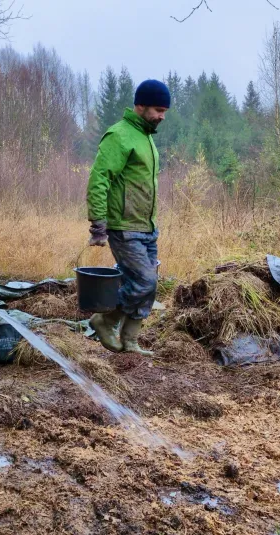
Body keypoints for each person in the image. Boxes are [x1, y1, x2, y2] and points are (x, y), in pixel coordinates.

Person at [86, 79, 170, 355]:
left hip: (147, 228)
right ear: (140, 106)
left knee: (148, 286)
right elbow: (100, 178)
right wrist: (99, 225)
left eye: (164, 111)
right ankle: (104, 320)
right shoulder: (119, 135)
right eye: (158, 110)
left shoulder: (146, 138)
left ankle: (131, 340)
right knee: (145, 281)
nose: (162, 116)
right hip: (123, 228)